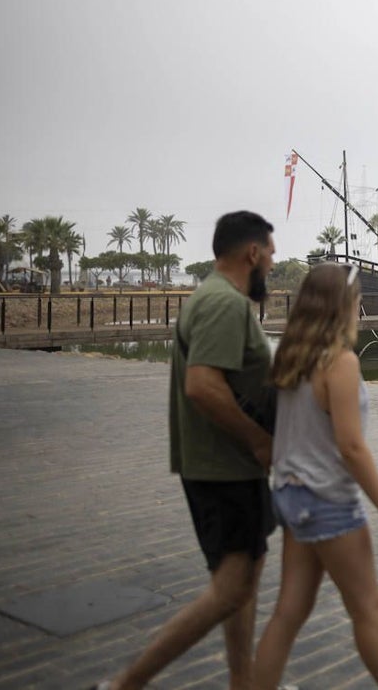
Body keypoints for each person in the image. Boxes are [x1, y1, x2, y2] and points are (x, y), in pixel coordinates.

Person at [94, 211, 276, 690]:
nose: (273, 265)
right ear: (252, 253)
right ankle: (125, 684)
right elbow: (202, 385)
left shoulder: (218, 298)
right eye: (271, 254)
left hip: (229, 466)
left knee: (243, 581)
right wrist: (260, 440)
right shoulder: (223, 304)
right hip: (224, 469)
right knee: (231, 587)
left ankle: (245, 681)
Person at [253, 263, 378, 690]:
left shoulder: (291, 354)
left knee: (288, 612)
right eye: (357, 302)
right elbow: (351, 446)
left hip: (290, 494)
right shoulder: (338, 362)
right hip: (326, 501)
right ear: (343, 306)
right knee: (368, 609)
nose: (359, 311)